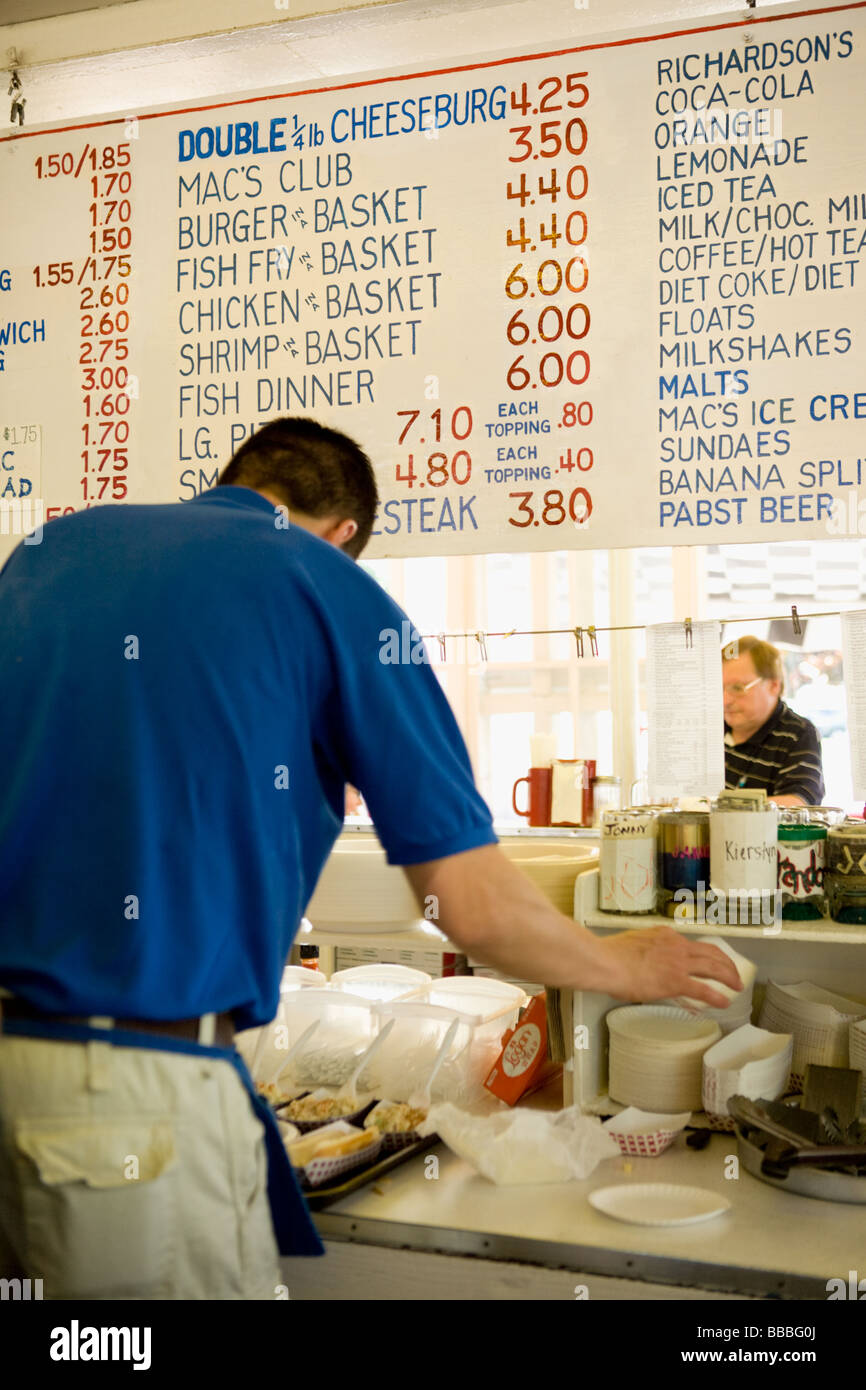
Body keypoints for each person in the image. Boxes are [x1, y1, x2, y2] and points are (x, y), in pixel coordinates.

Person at [0, 417, 741, 1300]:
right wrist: (618, 963)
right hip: (119, 1099)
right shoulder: (327, 589)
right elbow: (474, 908)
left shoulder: (49, 555)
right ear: (345, 532)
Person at [722, 635, 825, 807]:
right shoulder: (710, 726)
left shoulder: (797, 734)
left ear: (773, 686)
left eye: (737, 688)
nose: (725, 700)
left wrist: (719, 808)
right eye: (720, 688)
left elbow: (797, 804)